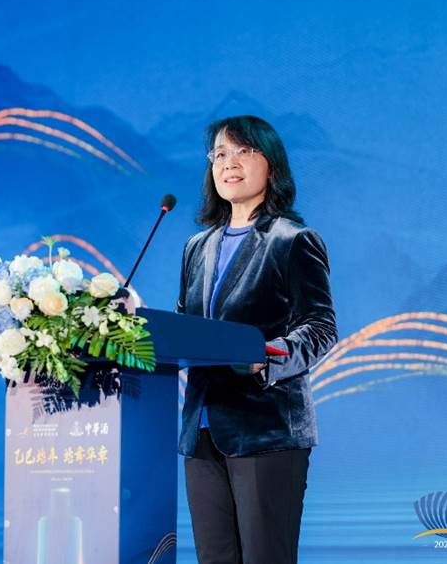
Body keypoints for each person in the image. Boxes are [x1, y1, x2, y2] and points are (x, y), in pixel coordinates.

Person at [177, 114, 338, 564]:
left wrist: (266, 358)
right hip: (201, 431)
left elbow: (320, 327)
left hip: (266, 428)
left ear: (272, 165)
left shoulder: (293, 240)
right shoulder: (196, 247)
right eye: (219, 154)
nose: (229, 163)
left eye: (244, 151)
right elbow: (186, 326)